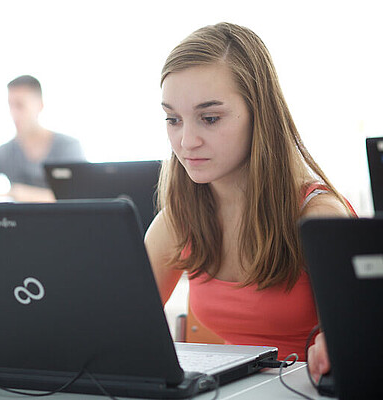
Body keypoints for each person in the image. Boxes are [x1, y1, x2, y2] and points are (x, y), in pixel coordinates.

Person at [144, 23, 354, 382]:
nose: (186, 140)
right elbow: (121, 326)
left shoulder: (318, 216)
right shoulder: (180, 218)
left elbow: (359, 348)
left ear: (260, 114)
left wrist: (339, 345)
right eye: (173, 119)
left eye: (209, 118)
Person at [0, 75, 85, 202]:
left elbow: (78, 196)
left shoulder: (68, 147)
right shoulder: (4, 153)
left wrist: (16, 192)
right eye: (10, 105)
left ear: (40, 105)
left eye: (20, 106)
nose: (14, 114)